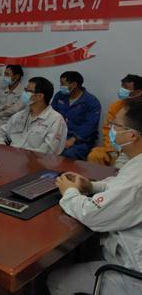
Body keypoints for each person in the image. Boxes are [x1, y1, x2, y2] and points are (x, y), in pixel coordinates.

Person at [47, 98, 142, 295]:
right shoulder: (136, 164)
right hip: (125, 251)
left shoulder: (138, 176)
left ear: (132, 135)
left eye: (115, 125)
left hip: (132, 276)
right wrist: (91, 186)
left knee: (56, 280)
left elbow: (91, 214)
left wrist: (70, 192)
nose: (110, 129)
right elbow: (121, 187)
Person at [0, 77, 67, 156]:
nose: (24, 93)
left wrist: (22, 157)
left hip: (34, 161)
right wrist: (3, 148)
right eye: (25, 90)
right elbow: (1, 132)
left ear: (40, 96)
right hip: (10, 156)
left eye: (28, 91)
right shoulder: (20, 115)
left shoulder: (55, 120)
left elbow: (48, 151)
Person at [88, 74, 142, 166]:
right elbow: (107, 130)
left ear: (138, 92)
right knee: (95, 155)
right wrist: (112, 150)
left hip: (136, 147)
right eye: (122, 87)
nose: (122, 91)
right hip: (116, 146)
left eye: (126, 88)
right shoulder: (116, 106)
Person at [51, 71, 101, 160]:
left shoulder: (91, 102)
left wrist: (73, 139)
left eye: (63, 84)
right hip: (58, 134)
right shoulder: (59, 96)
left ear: (74, 85)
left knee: (67, 155)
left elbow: (90, 126)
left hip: (80, 141)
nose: (60, 86)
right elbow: (51, 114)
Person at [0, 65, 25, 137]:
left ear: (17, 76)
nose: (4, 77)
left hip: (9, 123)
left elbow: (15, 110)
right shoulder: (0, 88)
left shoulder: (23, 92)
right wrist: (2, 107)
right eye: (4, 74)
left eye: (7, 74)